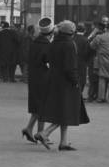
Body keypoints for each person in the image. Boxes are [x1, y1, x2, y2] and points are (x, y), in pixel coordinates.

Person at [36, 20, 89, 151]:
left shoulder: (54, 42)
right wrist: (76, 81)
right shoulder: (70, 44)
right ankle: (45, 133)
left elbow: (45, 58)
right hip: (66, 83)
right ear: (71, 32)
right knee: (67, 111)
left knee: (63, 110)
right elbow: (70, 67)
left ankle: (63, 142)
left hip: (53, 80)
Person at [22, 17, 54, 143]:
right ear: (50, 34)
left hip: (33, 77)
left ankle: (29, 128)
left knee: (37, 106)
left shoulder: (34, 43)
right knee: (43, 107)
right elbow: (49, 62)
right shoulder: (48, 46)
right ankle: (40, 133)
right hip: (44, 78)